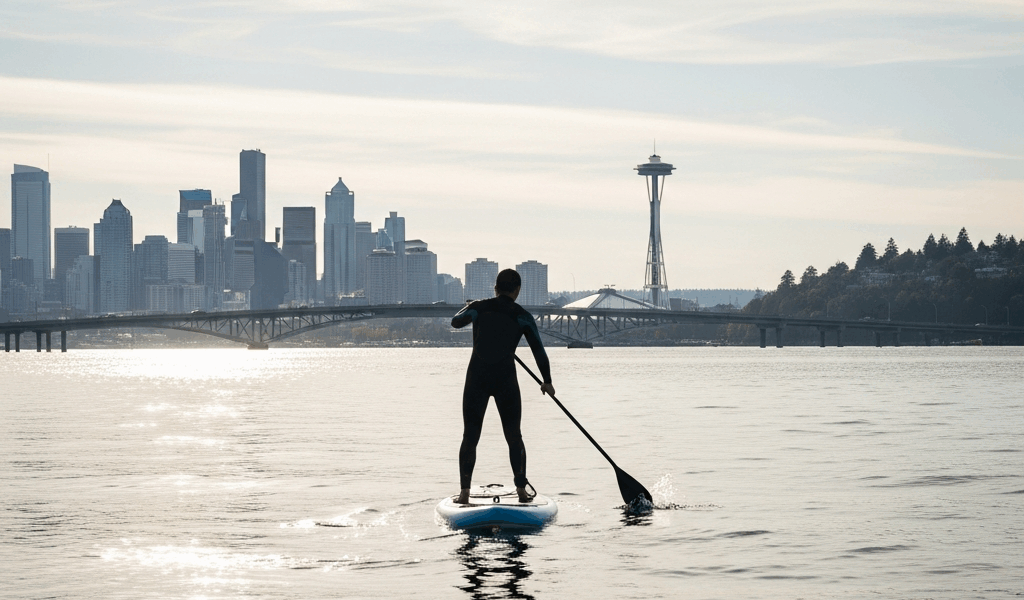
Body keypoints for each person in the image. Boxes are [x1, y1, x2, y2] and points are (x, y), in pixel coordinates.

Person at [451, 269, 555, 504]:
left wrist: (468, 307)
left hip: (476, 378)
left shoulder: (479, 307)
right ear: (517, 290)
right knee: (514, 436)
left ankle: (464, 494)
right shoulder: (523, 316)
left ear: (495, 288)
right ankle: (521, 492)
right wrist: (547, 381)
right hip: (505, 380)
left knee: (470, 435)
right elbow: (538, 350)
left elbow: (456, 322)